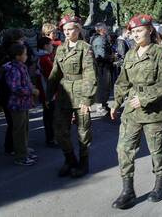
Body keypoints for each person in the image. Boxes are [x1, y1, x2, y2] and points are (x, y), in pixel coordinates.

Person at [110, 14, 162, 209]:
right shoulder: (130, 54)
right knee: (124, 149)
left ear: (150, 30)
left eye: (139, 31)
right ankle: (128, 191)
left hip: (154, 112)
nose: (135, 35)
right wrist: (116, 103)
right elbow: (123, 82)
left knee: (156, 150)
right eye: (133, 32)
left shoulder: (160, 53)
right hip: (131, 111)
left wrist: (145, 98)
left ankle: (159, 185)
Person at [46, 15, 98, 178]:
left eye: (70, 29)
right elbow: (55, 73)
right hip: (64, 95)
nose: (67, 32)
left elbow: (90, 74)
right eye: (65, 30)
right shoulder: (60, 48)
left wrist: (87, 99)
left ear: (78, 29)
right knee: (60, 130)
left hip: (81, 93)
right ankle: (70, 160)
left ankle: (83, 163)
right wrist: (48, 95)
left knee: (83, 132)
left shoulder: (85, 47)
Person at [0, 44, 39, 166]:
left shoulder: (20, 66)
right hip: (17, 104)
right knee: (19, 130)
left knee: (24, 128)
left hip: (24, 103)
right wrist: (32, 91)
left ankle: (24, 150)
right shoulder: (13, 69)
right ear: (18, 56)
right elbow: (16, 88)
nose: (27, 56)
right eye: (24, 54)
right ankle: (20, 155)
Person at [0, 29, 26, 155]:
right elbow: (13, 82)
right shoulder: (9, 58)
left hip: (7, 93)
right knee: (15, 123)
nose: (23, 41)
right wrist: (29, 90)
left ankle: (17, 147)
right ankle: (14, 148)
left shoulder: (3, 54)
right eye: (21, 39)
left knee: (15, 123)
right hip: (11, 95)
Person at [36, 37, 56, 147]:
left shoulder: (46, 57)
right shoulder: (44, 59)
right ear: (45, 46)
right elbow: (52, 74)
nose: (52, 47)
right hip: (48, 92)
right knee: (50, 116)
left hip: (48, 91)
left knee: (50, 116)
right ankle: (51, 139)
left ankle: (52, 137)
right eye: (51, 44)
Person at [90, 22, 113, 115]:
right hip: (101, 67)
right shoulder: (99, 39)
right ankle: (100, 106)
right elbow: (101, 55)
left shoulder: (100, 38)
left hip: (103, 66)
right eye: (105, 28)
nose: (107, 29)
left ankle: (104, 103)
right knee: (102, 86)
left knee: (105, 86)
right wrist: (111, 57)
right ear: (102, 30)